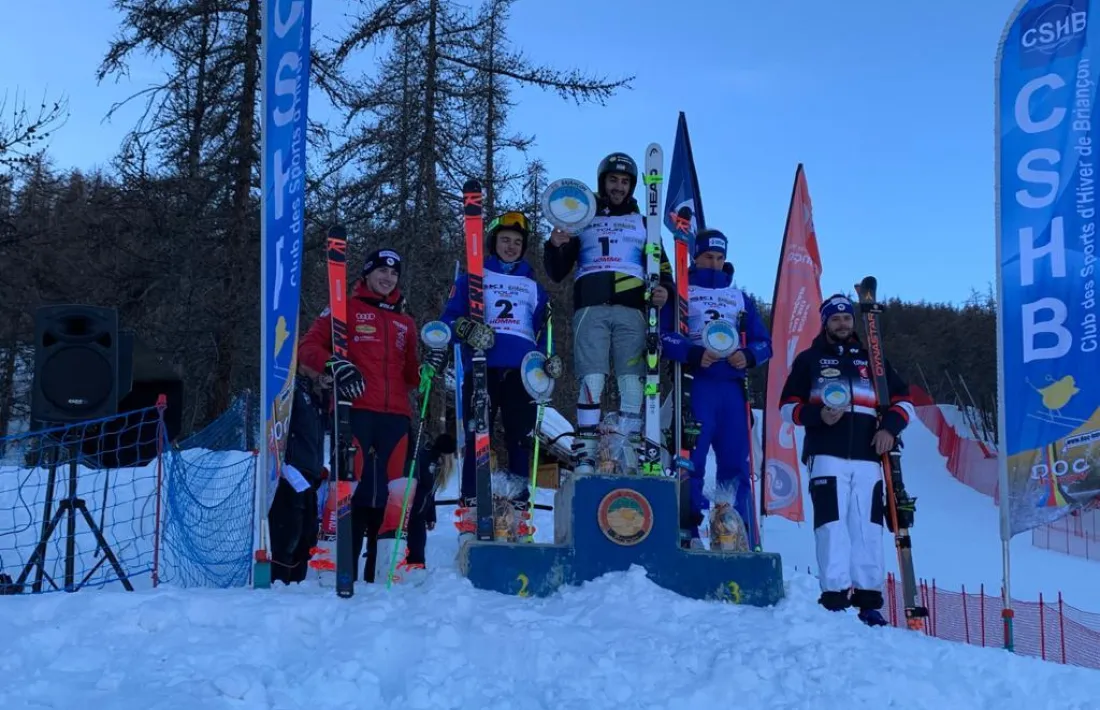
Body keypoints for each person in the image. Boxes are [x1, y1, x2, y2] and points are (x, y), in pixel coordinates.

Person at [299, 247, 440, 584]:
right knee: (346, 482)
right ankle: (328, 560)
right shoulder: (344, 309)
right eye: (381, 271)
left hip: (396, 416)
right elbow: (307, 348)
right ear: (366, 274)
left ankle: (391, 564)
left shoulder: (405, 321)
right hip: (355, 409)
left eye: (394, 273)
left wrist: (428, 369)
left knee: (401, 487)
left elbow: (409, 376)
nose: (388, 278)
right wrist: (335, 364)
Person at [778, 293, 915, 626]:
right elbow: (786, 407)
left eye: (847, 318)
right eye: (835, 318)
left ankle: (869, 600)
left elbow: (905, 401)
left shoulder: (873, 360)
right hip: (826, 454)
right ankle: (835, 598)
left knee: (867, 528)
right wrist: (816, 415)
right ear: (825, 322)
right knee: (832, 526)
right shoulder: (809, 359)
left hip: (869, 456)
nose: (842, 323)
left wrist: (890, 429)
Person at [543, 152, 674, 473]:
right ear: (602, 182)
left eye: (625, 181)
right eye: (613, 180)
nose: (618, 187)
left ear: (631, 186)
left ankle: (625, 449)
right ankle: (586, 451)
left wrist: (665, 290)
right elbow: (557, 271)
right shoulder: (584, 217)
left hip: (632, 310)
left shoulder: (645, 223)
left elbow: (664, 270)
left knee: (632, 382)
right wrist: (555, 243)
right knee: (593, 377)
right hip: (591, 308)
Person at [441, 210, 559, 535]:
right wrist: (465, 327)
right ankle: (471, 504)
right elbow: (447, 322)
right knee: (479, 435)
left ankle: (518, 509)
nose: (510, 246)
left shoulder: (534, 288)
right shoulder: (473, 279)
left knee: (521, 439)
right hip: (483, 367)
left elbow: (541, 333)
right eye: (505, 240)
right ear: (493, 243)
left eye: (517, 242)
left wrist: (547, 362)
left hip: (522, 374)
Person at [659, 229, 771, 550]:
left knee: (736, 464)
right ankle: (688, 531)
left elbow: (766, 344)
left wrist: (747, 355)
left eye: (720, 258)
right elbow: (664, 337)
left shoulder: (739, 297)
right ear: (695, 257)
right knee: (690, 459)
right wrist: (692, 353)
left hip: (732, 388)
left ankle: (734, 531)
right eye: (708, 256)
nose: (714, 263)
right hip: (698, 384)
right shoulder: (683, 290)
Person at [267, 361, 328, 584]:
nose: (321, 371)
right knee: (287, 534)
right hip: (290, 471)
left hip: (310, 473)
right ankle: (279, 580)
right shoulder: (290, 390)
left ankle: (296, 584)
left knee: (307, 535)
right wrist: (281, 461)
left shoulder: (314, 396)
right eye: (318, 365)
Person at [390, 432, 457, 585]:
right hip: (410, 511)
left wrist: (431, 516)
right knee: (412, 544)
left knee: (418, 543)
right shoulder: (426, 461)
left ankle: (416, 572)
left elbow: (429, 494)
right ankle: (407, 574)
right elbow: (419, 488)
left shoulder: (436, 464)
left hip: (419, 513)